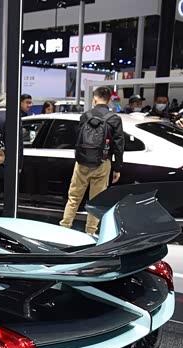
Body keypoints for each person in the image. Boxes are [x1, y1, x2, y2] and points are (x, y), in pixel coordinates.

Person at [59, 86, 124, 236]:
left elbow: (77, 139)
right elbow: (119, 145)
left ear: (94, 99)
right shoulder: (114, 119)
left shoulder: (85, 116)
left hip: (82, 162)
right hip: (102, 163)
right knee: (96, 199)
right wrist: (117, 167)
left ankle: (65, 226)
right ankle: (90, 232)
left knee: (74, 197)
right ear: (109, 100)